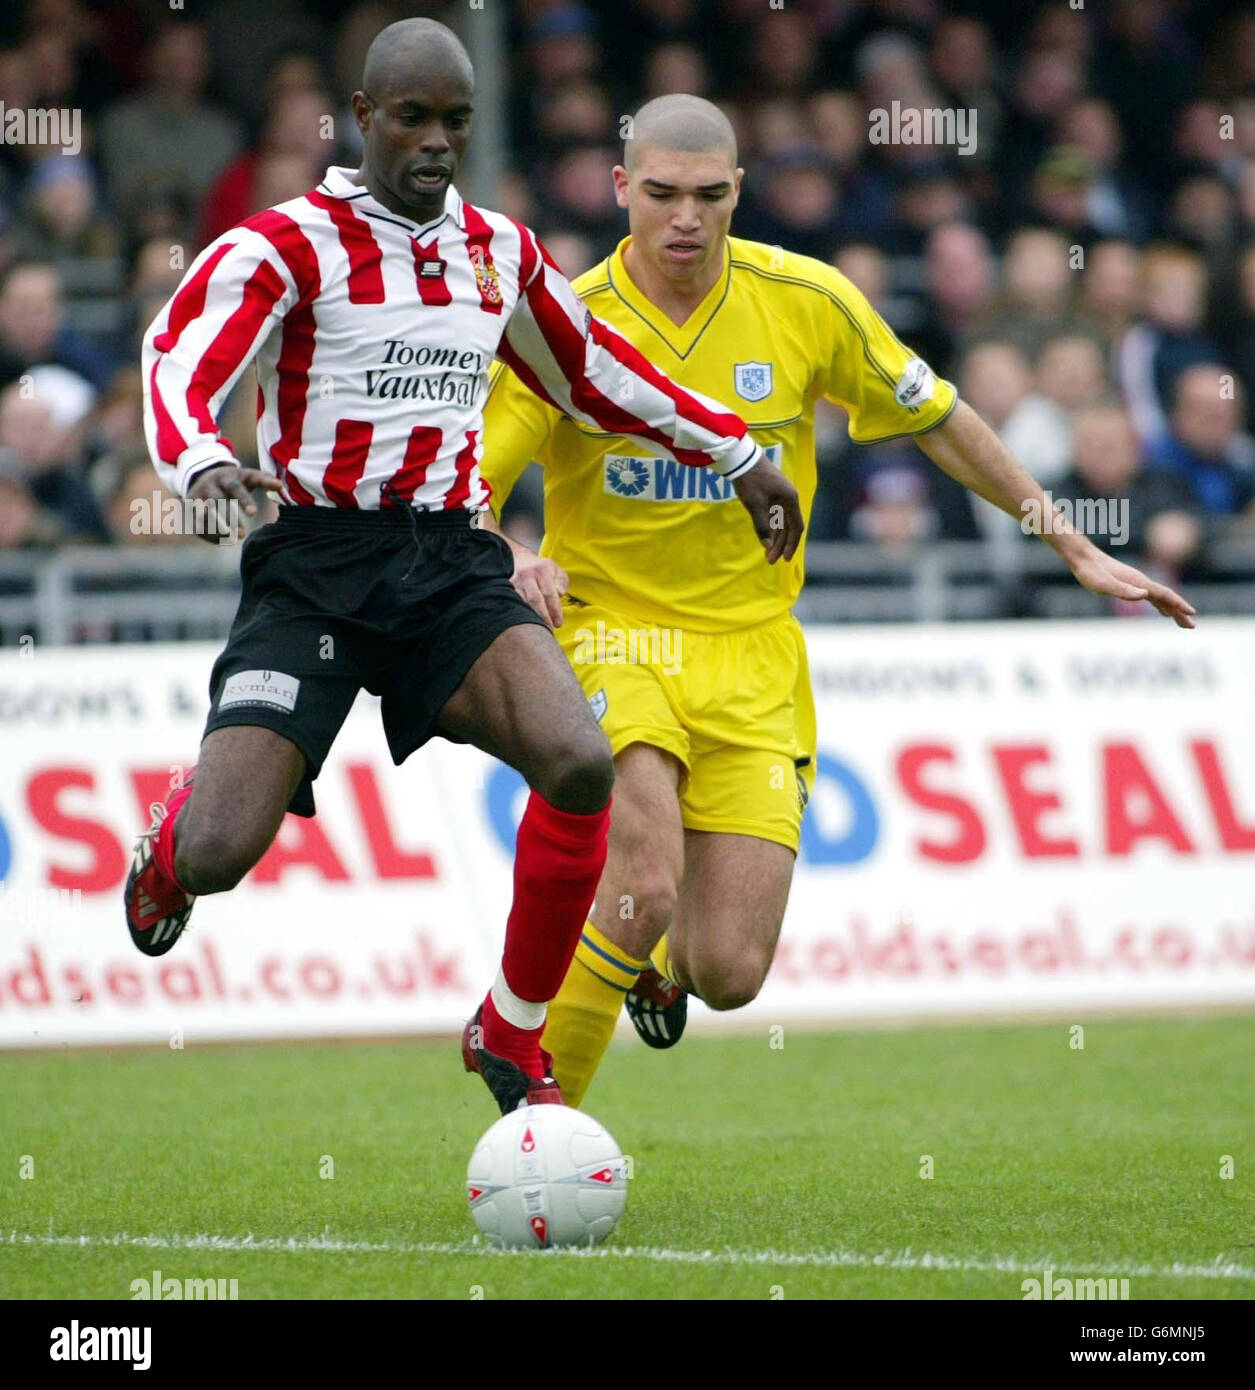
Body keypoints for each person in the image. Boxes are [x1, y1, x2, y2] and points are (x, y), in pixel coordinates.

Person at [127, 21, 801, 1118]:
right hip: (316, 563)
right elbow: (178, 355)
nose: (437, 140)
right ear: (364, 115)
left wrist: (737, 454)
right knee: (217, 852)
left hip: (448, 563)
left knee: (579, 762)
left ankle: (509, 1024)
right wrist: (202, 459)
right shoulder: (287, 245)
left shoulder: (499, 249)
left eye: (456, 120)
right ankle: (170, 839)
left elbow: (594, 374)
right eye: (413, 117)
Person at [479, 94, 1197, 1109]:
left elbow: (935, 415)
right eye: (661, 194)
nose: (685, 217)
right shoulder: (564, 322)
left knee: (728, 970)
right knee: (641, 875)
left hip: (752, 652)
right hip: (612, 634)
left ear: (740, 191)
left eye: (709, 195)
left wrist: (1069, 540)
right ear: (618, 190)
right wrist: (510, 550)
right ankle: (536, 1127)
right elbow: (465, 478)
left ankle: (654, 971)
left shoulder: (805, 300)